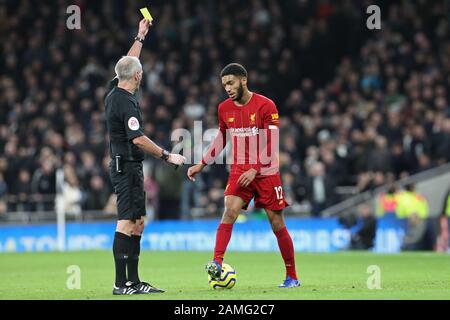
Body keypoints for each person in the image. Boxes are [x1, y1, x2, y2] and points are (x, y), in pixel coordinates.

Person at [187, 63, 300, 288]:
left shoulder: (266, 106)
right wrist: (202, 163)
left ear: (243, 80)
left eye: (231, 83)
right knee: (229, 211)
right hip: (239, 169)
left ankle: (292, 276)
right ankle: (217, 263)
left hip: (266, 171)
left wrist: (255, 168)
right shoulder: (223, 109)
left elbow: (271, 143)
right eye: (224, 85)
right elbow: (221, 138)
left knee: (276, 222)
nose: (227, 88)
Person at [105, 19, 186, 295]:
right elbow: (137, 138)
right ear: (138, 77)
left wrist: (140, 37)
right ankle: (120, 284)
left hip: (132, 166)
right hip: (124, 166)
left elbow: (128, 64)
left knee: (138, 222)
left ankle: (134, 282)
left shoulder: (115, 90)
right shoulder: (125, 103)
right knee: (126, 222)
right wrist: (167, 156)